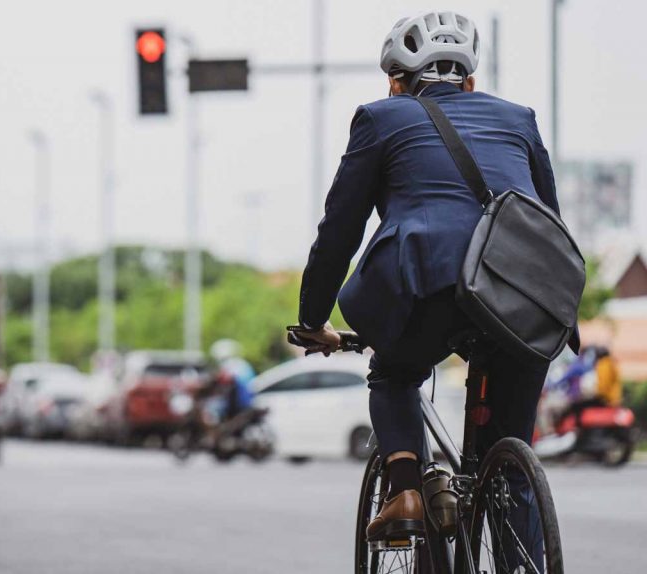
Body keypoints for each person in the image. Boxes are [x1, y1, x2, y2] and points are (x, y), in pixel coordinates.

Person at [291, 11, 578, 547]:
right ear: (470, 81)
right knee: (510, 463)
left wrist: (312, 321)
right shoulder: (519, 118)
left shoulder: (382, 118)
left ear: (396, 81)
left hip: (427, 281)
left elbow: (339, 232)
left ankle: (404, 489)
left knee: (395, 372)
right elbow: (548, 222)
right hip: (524, 294)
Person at [209, 339, 256, 421]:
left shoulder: (230, 366)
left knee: (212, 408)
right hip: (248, 400)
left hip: (239, 402)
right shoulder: (242, 364)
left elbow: (223, 379)